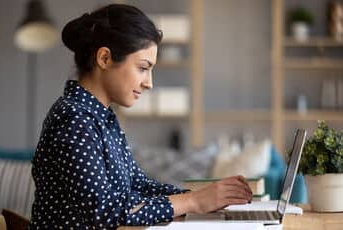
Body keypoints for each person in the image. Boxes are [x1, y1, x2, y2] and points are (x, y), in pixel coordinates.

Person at [28, 3, 253, 229]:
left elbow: (138, 184)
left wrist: (203, 198)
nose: (149, 83)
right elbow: (105, 211)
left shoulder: (101, 117)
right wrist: (192, 201)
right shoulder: (74, 119)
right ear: (104, 58)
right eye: (143, 68)